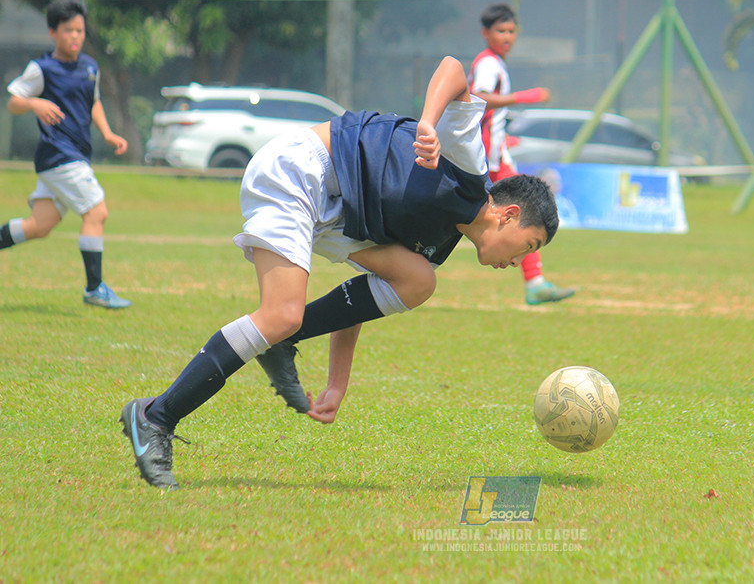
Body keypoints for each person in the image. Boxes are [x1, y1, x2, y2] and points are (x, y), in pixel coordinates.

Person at [119, 56, 560, 489]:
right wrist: (428, 123)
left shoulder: (438, 242)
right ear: (508, 215)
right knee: (280, 315)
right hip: (301, 170)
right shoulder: (466, 168)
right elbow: (453, 70)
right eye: (530, 245)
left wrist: (337, 382)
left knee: (418, 279)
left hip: (329, 216)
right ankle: (154, 417)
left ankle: (284, 339)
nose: (519, 260)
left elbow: (359, 295)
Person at [1, 0, 131, 309]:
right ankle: (94, 288)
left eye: (80, 30)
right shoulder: (42, 68)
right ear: (53, 32)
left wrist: (108, 133)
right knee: (96, 212)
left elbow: (94, 102)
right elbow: (14, 100)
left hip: (70, 156)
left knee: (39, 225)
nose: (75, 36)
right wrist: (35, 103)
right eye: (69, 30)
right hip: (60, 155)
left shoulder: (89, 67)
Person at [469, 2, 575, 305]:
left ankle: (535, 282)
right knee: (527, 212)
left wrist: (505, 140)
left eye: (512, 31)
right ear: (485, 33)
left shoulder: (496, 63)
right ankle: (535, 283)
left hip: (495, 154)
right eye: (500, 30)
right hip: (487, 159)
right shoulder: (488, 63)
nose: (507, 36)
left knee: (524, 213)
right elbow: (478, 98)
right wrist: (523, 97)